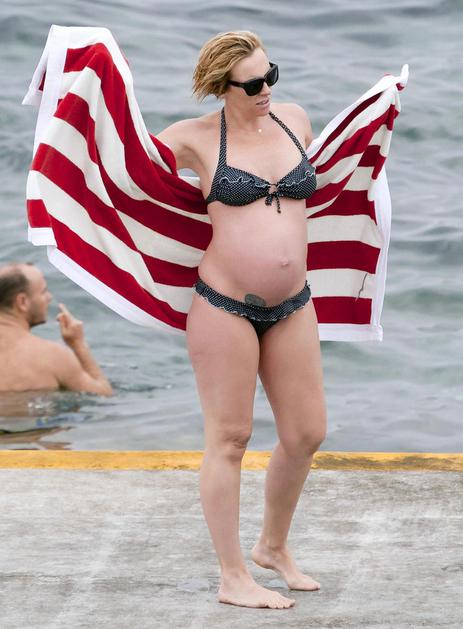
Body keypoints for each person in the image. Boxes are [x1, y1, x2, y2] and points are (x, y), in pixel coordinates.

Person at [156, 31, 327, 610]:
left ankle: (271, 547)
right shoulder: (195, 138)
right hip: (224, 305)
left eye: (271, 75)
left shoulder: (293, 121)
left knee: (306, 433)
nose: (266, 91)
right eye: (253, 85)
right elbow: (122, 166)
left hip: (293, 303)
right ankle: (233, 577)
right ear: (220, 87)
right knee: (230, 439)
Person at [0, 262, 112, 396]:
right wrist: (78, 345)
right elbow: (103, 394)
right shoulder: (52, 357)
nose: (49, 297)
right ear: (22, 302)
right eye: (43, 292)